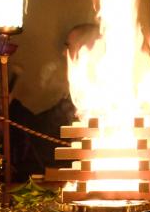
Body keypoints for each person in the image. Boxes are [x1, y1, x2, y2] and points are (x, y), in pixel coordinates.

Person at [8, 23, 99, 179]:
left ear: (85, 49)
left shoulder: (95, 90)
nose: (63, 53)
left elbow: (50, 137)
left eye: (68, 46)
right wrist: (13, 108)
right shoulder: (79, 87)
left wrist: (14, 110)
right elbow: (46, 127)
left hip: (81, 173)